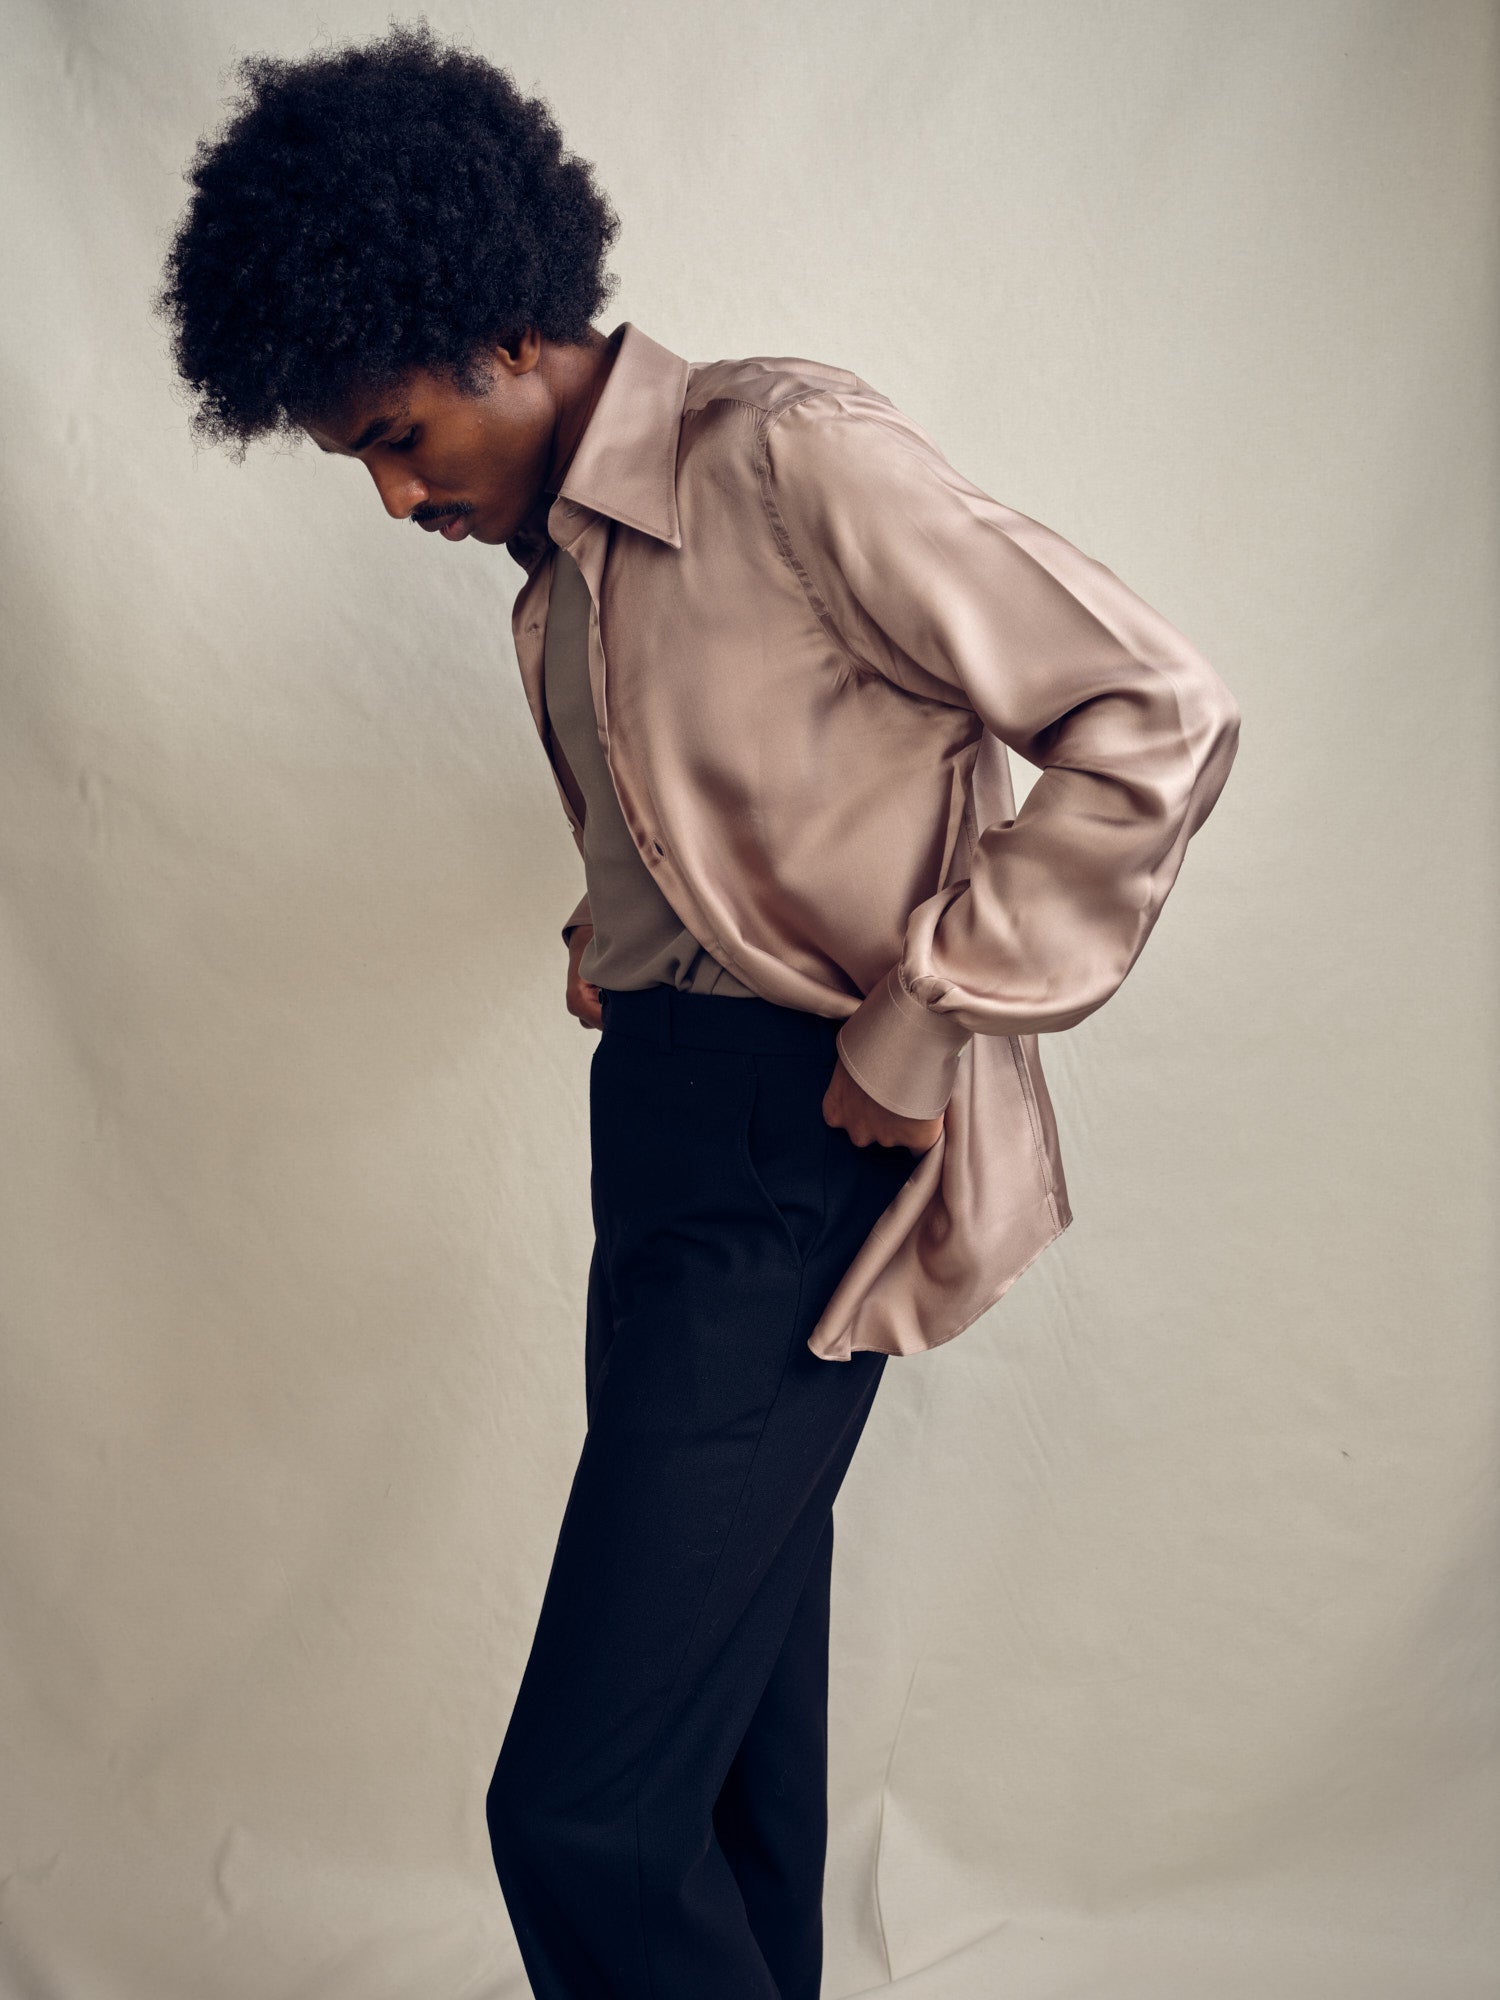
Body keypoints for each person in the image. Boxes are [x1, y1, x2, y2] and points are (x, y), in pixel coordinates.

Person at [155, 22, 1241, 1999]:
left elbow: (1149, 711)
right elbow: (733, 797)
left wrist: (933, 1014)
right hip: (660, 1137)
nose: (393, 497)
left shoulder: (779, 454)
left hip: (798, 1147)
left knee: (579, 1808)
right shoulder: (561, 573)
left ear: (504, 329)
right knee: (728, 1749)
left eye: (397, 433)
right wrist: (627, 921)